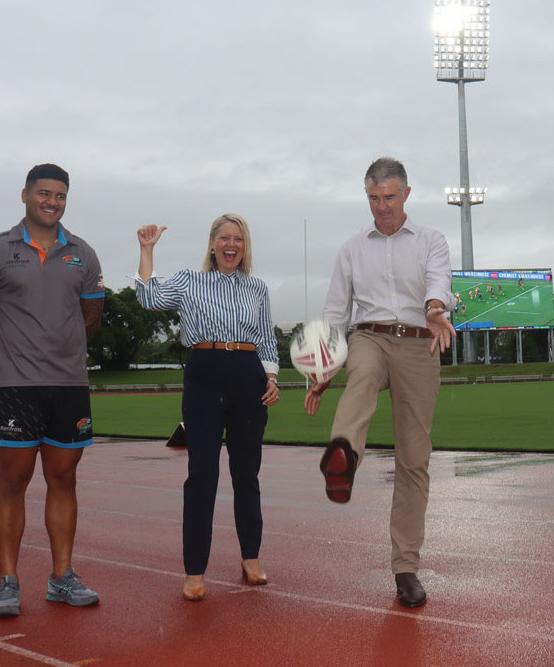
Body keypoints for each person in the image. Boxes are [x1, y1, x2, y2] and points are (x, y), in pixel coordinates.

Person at [303, 157, 455, 608]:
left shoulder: (431, 240)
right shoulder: (352, 248)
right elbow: (335, 313)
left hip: (420, 342)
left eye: (389, 197)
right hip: (369, 335)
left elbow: (438, 280)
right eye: (373, 198)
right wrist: (323, 370)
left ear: (406, 194)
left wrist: (434, 308)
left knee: (413, 459)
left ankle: (405, 568)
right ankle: (343, 455)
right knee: (362, 375)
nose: (381, 206)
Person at [0, 164, 105, 617]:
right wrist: (3, 365)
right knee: (13, 481)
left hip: (67, 385)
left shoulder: (83, 254)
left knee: (64, 480)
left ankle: (62, 577)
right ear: (24, 195)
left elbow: (92, 317)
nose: (52, 202)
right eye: (44, 193)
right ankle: (8, 582)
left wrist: (62, 351)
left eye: (60, 195)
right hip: (15, 387)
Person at [135, 214, 280, 601]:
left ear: (245, 246)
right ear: (212, 243)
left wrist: (272, 378)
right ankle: (194, 569)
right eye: (224, 238)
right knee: (202, 473)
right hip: (204, 373)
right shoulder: (189, 280)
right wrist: (147, 250)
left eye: (239, 239)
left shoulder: (258, 288)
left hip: (248, 376)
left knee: (246, 471)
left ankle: (251, 556)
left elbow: (267, 338)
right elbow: (149, 298)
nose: (231, 245)